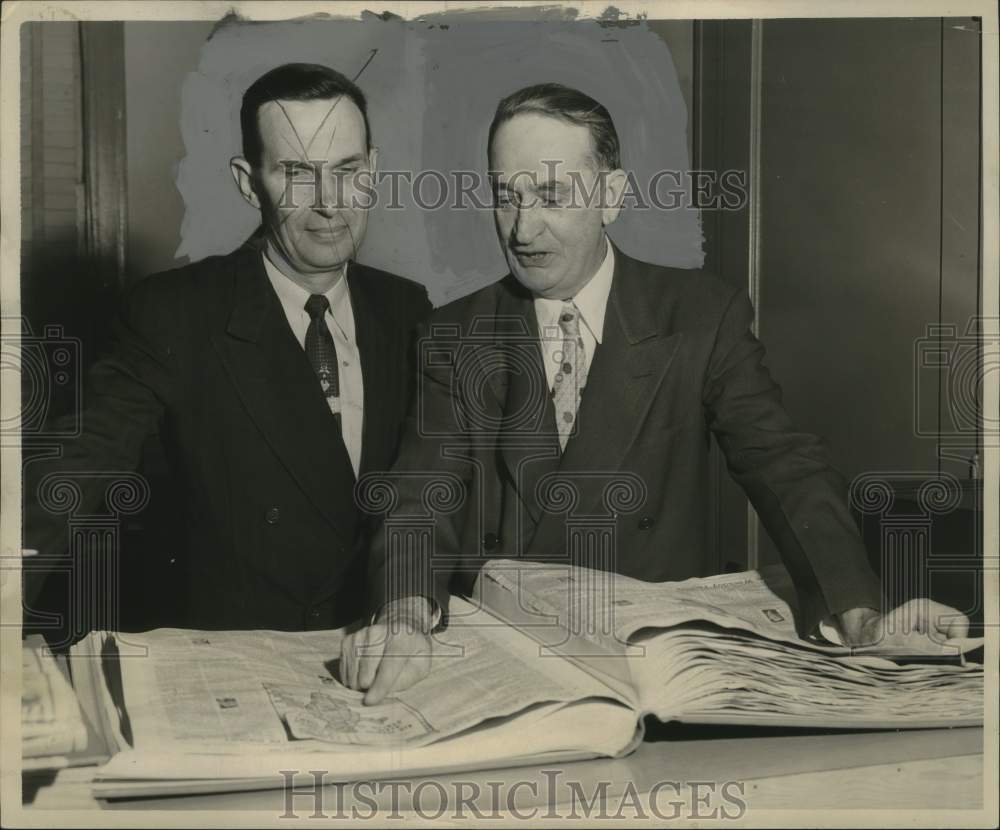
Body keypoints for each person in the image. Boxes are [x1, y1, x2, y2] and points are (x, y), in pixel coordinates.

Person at [341, 82, 969, 702]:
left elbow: (783, 464)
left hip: (653, 671)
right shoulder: (454, 332)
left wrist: (859, 613)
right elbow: (422, 493)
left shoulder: (700, 315)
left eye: (554, 194)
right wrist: (402, 617)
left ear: (611, 196)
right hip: (507, 667)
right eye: (507, 196)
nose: (522, 228)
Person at [23, 63, 430, 632]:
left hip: (376, 652)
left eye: (347, 170)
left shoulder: (409, 310)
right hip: (238, 661)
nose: (330, 203)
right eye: (296, 173)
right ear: (248, 181)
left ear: (374, 170)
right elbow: (75, 467)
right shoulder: (176, 312)